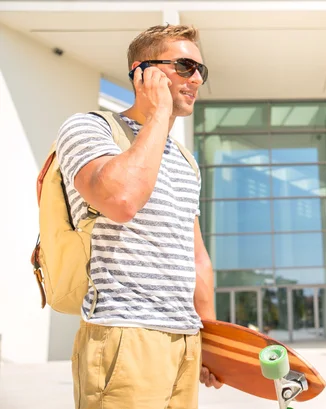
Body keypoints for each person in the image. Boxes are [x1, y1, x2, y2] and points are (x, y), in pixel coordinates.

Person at [55, 24, 223, 409]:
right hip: (124, 333)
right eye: (184, 66)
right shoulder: (90, 127)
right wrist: (160, 113)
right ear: (142, 71)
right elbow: (121, 200)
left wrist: (210, 340)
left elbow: (196, 258)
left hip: (184, 339)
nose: (196, 78)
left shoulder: (185, 160)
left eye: (201, 70)